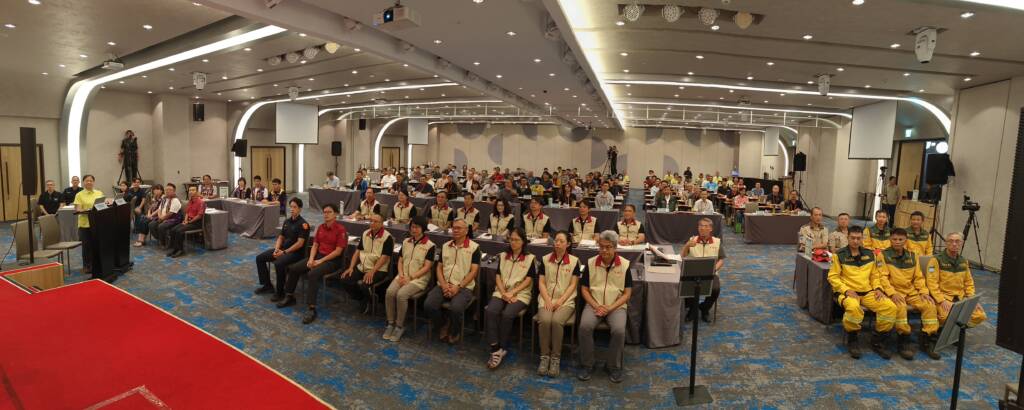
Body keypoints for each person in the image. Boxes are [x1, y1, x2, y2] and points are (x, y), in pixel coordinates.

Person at [827, 229, 900, 359]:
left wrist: (878, 288)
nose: (856, 241)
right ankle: (852, 338)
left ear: (862, 239)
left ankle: (878, 340)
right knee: (854, 308)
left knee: (890, 307)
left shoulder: (870, 254)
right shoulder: (839, 255)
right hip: (847, 293)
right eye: (853, 238)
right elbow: (833, 277)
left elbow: (875, 275)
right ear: (848, 238)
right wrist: (845, 290)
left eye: (858, 238)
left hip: (868, 292)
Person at [277, 203, 348, 324]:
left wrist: (320, 261)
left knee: (312, 274)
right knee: (294, 268)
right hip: (318, 257)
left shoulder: (340, 230)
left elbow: (338, 252)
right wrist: (311, 259)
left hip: (332, 261)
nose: (326, 214)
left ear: (335, 214)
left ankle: (312, 308)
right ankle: (289, 296)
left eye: (329, 212)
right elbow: (315, 245)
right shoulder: (321, 227)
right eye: (324, 212)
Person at [578, 230, 632, 383]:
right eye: (601, 246)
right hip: (594, 304)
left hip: (616, 306)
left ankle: (613, 366)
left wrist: (610, 307)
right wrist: (596, 306)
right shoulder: (591, 263)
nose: (604, 250)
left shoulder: (624, 265)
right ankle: (587, 364)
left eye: (608, 247)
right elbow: (584, 289)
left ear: (615, 247)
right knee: (584, 326)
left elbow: (627, 293)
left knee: (619, 330)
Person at [880, 228, 941, 360]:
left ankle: (928, 340)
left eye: (900, 239)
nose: (897, 242)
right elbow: (883, 278)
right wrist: (892, 293)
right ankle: (903, 340)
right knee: (901, 307)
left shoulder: (913, 256)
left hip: (911, 292)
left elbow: (919, 278)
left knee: (930, 305)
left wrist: (924, 292)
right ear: (890, 239)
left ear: (906, 241)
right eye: (894, 239)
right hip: (895, 292)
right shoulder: (883, 255)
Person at [485, 228, 536, 369]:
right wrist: (504, 293)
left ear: (523, 242)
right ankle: (495, 348)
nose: (513, 242)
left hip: (520, 294)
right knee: (491, 311)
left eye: (516, 240)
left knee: (507, 314)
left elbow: (528, 280)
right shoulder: (503, 256)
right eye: (511, 239)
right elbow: (498, 276)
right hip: (502, 292)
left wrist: (512, 293)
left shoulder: (530, 258)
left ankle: (503, 346)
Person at [424, 219, 481, 344]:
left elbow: (473, 271)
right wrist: (443, 284)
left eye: (459, 228)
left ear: (466, 230)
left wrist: (458, 287)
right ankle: (443, 324)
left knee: (456, 308)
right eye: (454, 228)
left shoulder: (474, 248)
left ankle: (455, 331)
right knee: (429, 305)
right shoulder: (446, 246)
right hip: (444, 284)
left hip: (463, 287)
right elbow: (439, 267)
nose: (455, 230)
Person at [383, 217, 436, 342]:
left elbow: (427, 267)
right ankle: (390, 323)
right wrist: (401, 274)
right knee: (390, 292)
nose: (414, 229)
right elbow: (400, 260)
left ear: (423, 229)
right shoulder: (406, 241)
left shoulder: (430, 245)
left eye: (417, 227)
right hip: (403, 276)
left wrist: (410, 277)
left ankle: (399, 326)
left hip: (418, 279)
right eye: (412, 227)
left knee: (401, 295)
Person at [537, 230, 580, 377]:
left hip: (565, 301)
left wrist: (561, 301)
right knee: (544, 320)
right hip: (546, 299)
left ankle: (555, 358)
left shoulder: (574, 261)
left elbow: (573, 285)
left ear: (568, 244)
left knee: (556, 321)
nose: (558, 243)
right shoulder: (545, 259)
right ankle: (544, 356)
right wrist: (547, 300)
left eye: (561, 241)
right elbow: (541, 282)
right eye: (556, 240)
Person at [927, 232, 987, 329]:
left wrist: (972, 299)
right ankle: (943, 329)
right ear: (946, 243)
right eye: (951, 241)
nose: (954, 244)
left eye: (957, 241)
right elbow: (931, 283)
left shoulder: (963, 262)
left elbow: (968, 283)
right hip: (944, 297)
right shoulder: (935, 260)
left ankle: (958, 328)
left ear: (961, 244)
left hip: (961, 297)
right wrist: (941, 300)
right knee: (946, 317)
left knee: (980, 315)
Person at [340, 214, 395, 313]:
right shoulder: (365, 233)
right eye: (371, 221)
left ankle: (370, 302)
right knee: (345, 279)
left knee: (364, 285)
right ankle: (362, 299)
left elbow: (384, 257)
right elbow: (358, 251)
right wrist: (351, 267)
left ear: (382, 224)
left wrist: (372, 271)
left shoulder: (387, 237)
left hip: (379, 269)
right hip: (363, 267)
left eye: (375, 221)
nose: (372, 223)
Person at [256, 198, 310, 297]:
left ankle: (280, 292)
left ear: (300, 209)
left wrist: (284, 252)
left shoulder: (303, 224)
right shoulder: (287, 221)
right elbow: (281, 237)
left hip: (296, 253)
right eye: (291, 207)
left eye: (294, 207)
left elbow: (300, 244)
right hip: (283, 250)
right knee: (260, 258)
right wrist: (277, 249)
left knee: (278, 263)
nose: (292, 209)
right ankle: (267, 285)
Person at [681, 218, 726, 322]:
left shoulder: (716, 242)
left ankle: (704, 308)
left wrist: (714, 269)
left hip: (710, 273)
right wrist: (686, 246)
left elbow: (721, 260)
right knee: (688, 286)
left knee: (715, 289)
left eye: (705, 226)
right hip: (693, 272)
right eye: (700, 226)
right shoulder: (692, 240)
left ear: (711, 229)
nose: (702, 228)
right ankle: (692, 309)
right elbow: (682, 256)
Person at [73, 175, 106, 277]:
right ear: (83, 182)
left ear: (93, 182)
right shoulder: (79, 195)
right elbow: (78, 209)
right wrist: (88, 210)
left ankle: (97, 264)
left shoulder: (99, 193)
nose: (89, 182)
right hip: (85, 224)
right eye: (87, 181)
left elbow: (102, 206)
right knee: (87, 246)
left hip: (97, 223)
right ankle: (87, 266)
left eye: (91, 181)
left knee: (97, 245)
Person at [166, 185, 205, 258]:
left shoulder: (201, 202)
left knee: (179, 231)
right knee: (173, 230)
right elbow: (187, 212)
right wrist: (185, 220)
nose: (191, 192)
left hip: (196, 223)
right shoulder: (190, 201)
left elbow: (199, 216)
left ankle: (180, 250)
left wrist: (189, 222)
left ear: (197, 192)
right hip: (188, 221)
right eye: (190, 190)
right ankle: (175, 249)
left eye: (193, 190)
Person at [150, 183, 182, 247]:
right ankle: (160, 239)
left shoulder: (175, 200)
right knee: (151, 224)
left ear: (174, 191)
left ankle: (164, 243)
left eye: (170, 190)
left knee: (161, 226)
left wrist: (162, 218)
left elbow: (170, 213)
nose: (167, 191)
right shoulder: (164, 199)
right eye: (166, 190)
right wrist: (160, 217)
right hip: (162, 217)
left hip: (173, 219)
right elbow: (159, 209)